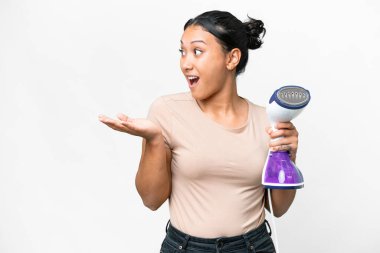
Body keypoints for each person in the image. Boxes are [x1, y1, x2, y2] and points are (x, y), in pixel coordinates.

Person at [99, 10, 299, 253]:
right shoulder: (167, 111)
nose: (185, 63)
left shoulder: (265, 121)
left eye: (197, 51)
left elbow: (278, 207)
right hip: (186, 247)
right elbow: (151, 200)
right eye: (182, 52)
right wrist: (153, 141)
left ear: (231, 58)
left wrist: (288, 157)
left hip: (253, 246)